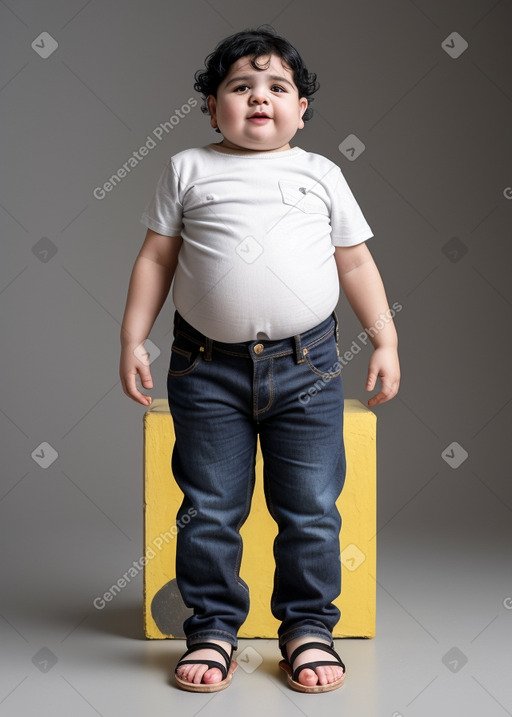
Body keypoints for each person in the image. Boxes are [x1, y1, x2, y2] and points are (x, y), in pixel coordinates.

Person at [119, 25, 400, 694]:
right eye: (240, 87)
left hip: (309, 368)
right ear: (212, 107)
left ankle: (307, 627)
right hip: (205, 367)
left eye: (278, 87)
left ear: (302, 108)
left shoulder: (319, 173)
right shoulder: (188, 168)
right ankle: (213, 626)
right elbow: (157, 257)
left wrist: (384, 338)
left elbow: (355, 261)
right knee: (211, 504)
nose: (259, 99)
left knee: (309, 505)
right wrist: (132, 336)